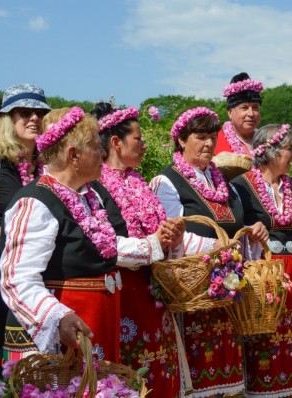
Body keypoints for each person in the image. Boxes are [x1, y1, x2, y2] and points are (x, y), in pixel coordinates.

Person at [0, 107, 183, 365]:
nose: (102, 153)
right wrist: (57, 317)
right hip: (61, 340)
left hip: (95, 330)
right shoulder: (35, 203)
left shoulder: (88, 196)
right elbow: (16, 279)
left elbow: (104, 247)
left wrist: (157, 243)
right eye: (96, 147)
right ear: (74, 155)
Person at [150, 107, 268, 398]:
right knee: (197, 361)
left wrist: (252, 234)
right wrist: (214, 247)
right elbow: (173, 235)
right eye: (200, 137)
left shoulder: (224, 184)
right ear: (181, 140)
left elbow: (238, 226)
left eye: (212, 138)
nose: (208, 145)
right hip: (193, 286)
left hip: (228, 283)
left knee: (226, 356)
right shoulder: (167, 181)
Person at [91, 102, 189, 396]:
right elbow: (105, 243)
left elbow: (158, 233)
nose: (144, 145)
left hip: (151, 288)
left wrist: (172, 235)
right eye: (138, 139)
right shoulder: (97, 186)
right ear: (116, 143)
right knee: (130, 364)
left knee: (160, 362)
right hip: (122, 290)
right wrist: (155, 242)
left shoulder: (138, 181)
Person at [232, 124, 292, 397]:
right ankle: (265, 390)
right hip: (264, 273)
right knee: (264, 335)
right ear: (272, 152)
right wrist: (251, 235)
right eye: (288, 149)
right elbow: (236, 231)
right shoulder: (241, 187)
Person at [0, 84, 50, 381]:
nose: (34, 118)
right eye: (24, 112)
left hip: (33, 281)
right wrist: (15, 240)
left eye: (40, 112)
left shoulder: (45, 168)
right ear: (7, 118)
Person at [215, 72, 262, 155]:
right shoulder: (215, 141)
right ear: (230, 112)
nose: (251, 114)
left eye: (255, 108)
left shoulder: (267, 140)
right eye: (244, 108)